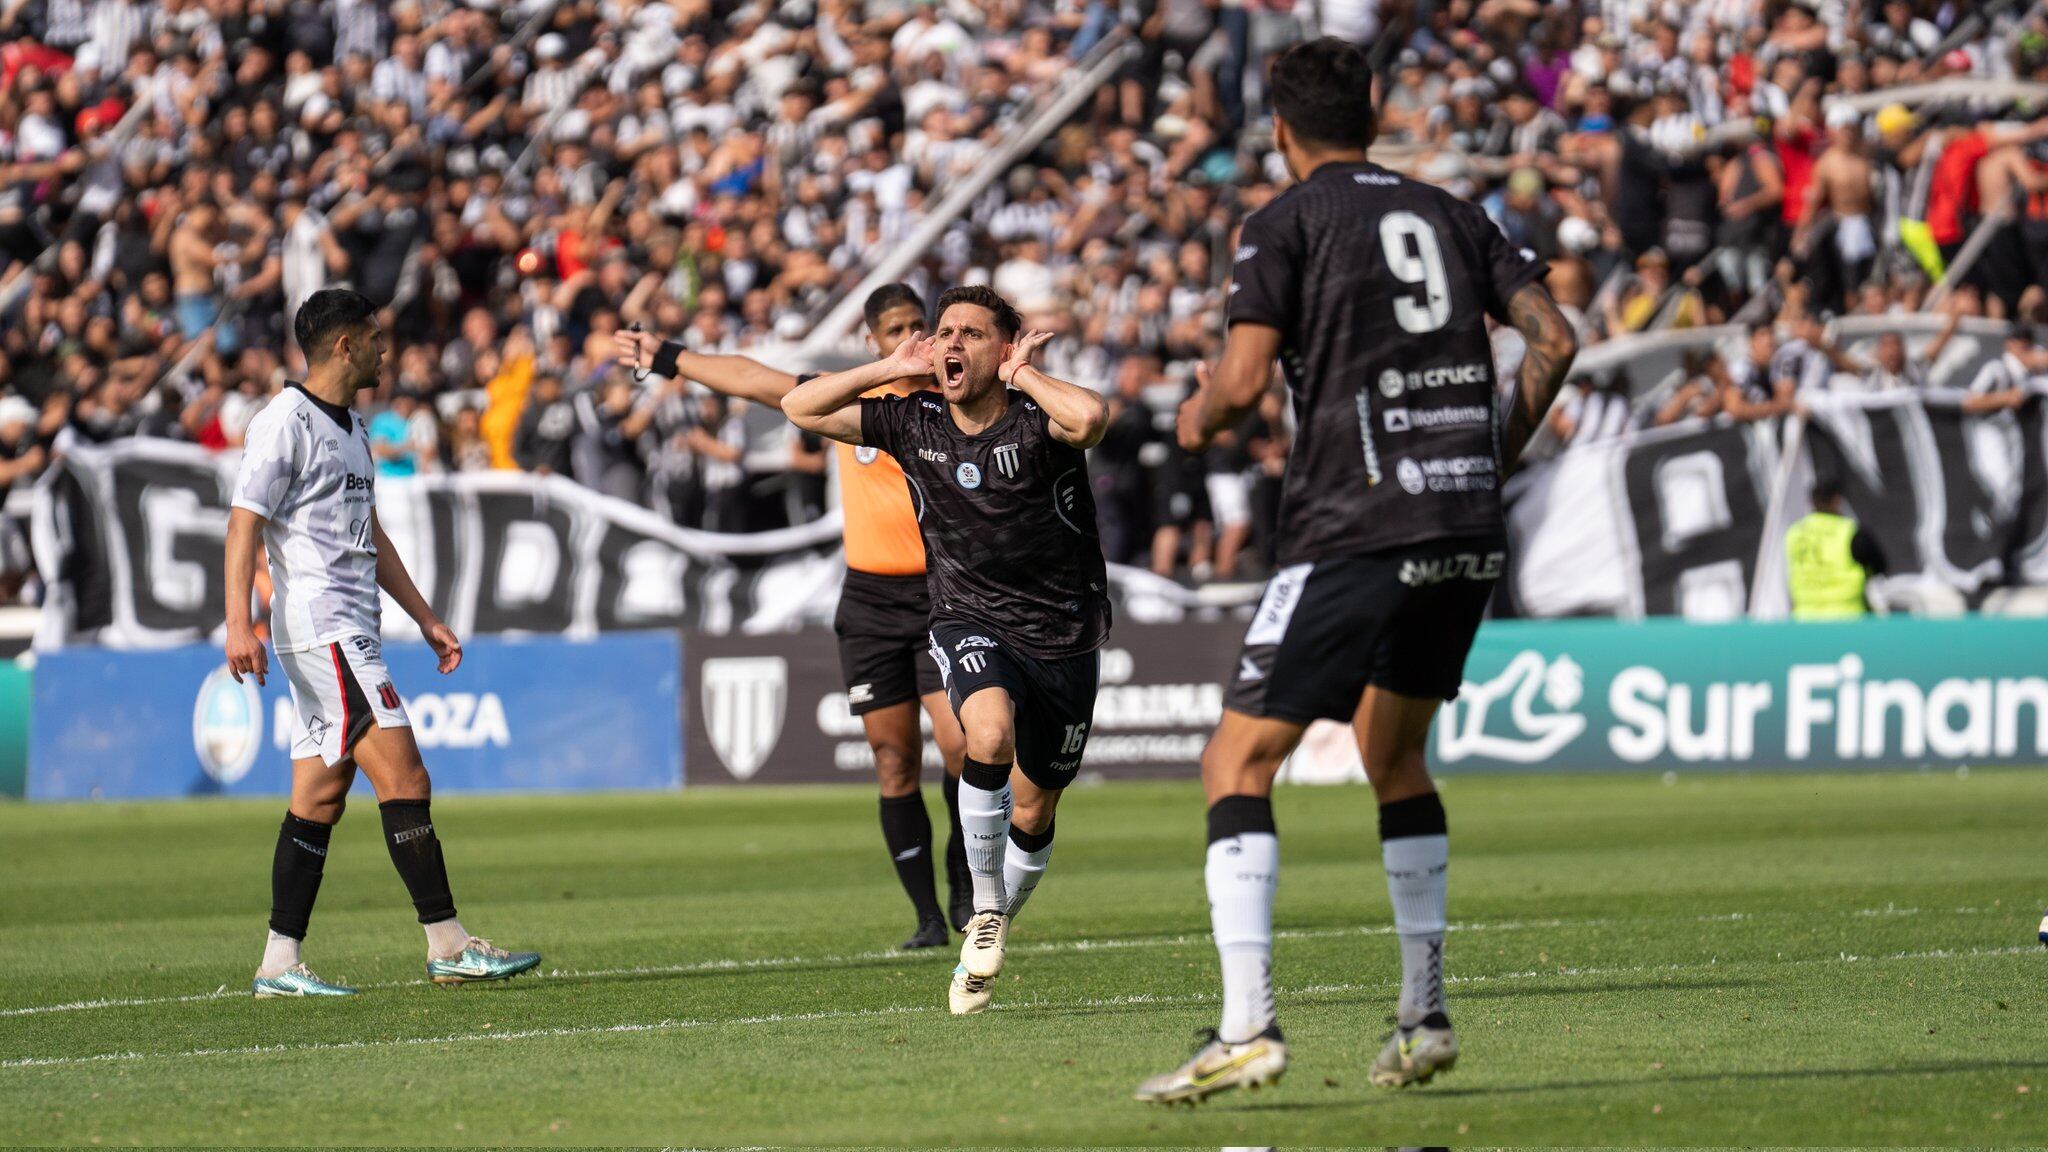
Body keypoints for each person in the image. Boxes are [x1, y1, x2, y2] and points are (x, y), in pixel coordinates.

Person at [1134, 38, 1577, 1105]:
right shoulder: (1454, 211)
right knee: (1393, 754)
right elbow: (1553, 342)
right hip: (1462, 526)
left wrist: (1198, 416)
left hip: (1355, 525)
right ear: (1372, 114)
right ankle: (1421, 1016)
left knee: (1233, 766)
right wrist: (1485, 457)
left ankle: (1246, 1029)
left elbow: (1238, 386)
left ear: (1278, 130)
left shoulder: (1283, 220)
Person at [782, 285, 1111, 1017]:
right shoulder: (912, 416)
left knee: (1036, 809)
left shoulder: (1037, 418)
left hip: (1063, 629)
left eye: (971, 333)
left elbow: (1090, 417)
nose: (950, 343)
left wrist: (1025, 374)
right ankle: (984, 907)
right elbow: (798, 409)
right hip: (968, 616)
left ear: (1002, 348)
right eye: (944, 331)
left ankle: (987, 935)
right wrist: (887, 366)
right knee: (983, 733)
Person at [616, 285, 973, 948]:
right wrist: (668, 356)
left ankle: (964, 875)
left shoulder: (952, 401)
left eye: (918, 325)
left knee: (961, 746)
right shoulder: (848, 397)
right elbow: (753, 380)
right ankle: (926, 917)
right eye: (895, 329)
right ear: (871, 341)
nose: (910, 338)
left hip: (941, 597)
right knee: (893, 758)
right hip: (869, 601)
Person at [224, 289, 540, 997]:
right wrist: (236, 621)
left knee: (319, 798)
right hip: (322, 628)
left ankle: (279, 961)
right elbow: (244, 522)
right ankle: (448, 944)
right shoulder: (285, 420)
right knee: (406, 779)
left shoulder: (354, 428)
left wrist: (426, 616)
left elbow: (373, 535)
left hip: (349, 626)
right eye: (372, 337)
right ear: (343, 345)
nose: (383, 349)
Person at [1785, 479, 1886, 620]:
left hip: (1804, 619)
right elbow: (1879, 567)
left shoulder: (1794, 533)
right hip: (1847, 618)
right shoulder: (1851, 532)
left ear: (1811, 501)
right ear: (1837, 500)